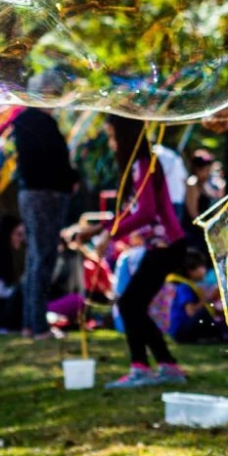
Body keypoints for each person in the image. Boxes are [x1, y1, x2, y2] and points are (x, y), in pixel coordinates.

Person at [69, 116, 187, 388]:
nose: (111, 143)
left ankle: (142, 367)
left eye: (112, 136)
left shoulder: (142, 165)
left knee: (130, 304)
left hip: (166, 246)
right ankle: (167, 365)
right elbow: (134, 211)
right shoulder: (142, 166)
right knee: (133, 305)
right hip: (163, 247)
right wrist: (100, 229)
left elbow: (146, 212)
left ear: (124, 136)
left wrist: (108, 232)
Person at [12, 107, 78, 339]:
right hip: (46, 195)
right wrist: (71, 178)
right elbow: (54, 158)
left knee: (35, 259)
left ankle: (30, 323)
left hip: (32, 193)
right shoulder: (39, 123)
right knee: (43, 259)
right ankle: (38, 326)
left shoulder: (24, 121)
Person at [167, 249, 228, 343]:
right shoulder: (184, 288)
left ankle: (221, 335)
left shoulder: (188, 285)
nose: (205, 270)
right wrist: (206, 299)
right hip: (181, 333)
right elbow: (191, 312)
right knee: (204, 314)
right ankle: (221, 336)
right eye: (202, 266)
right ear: (190, 270)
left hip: (184, 332)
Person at [153, 142, 189, 221]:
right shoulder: (174, 157)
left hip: (165, 201)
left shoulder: (155, 154)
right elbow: (184, 179)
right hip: (177, 200)